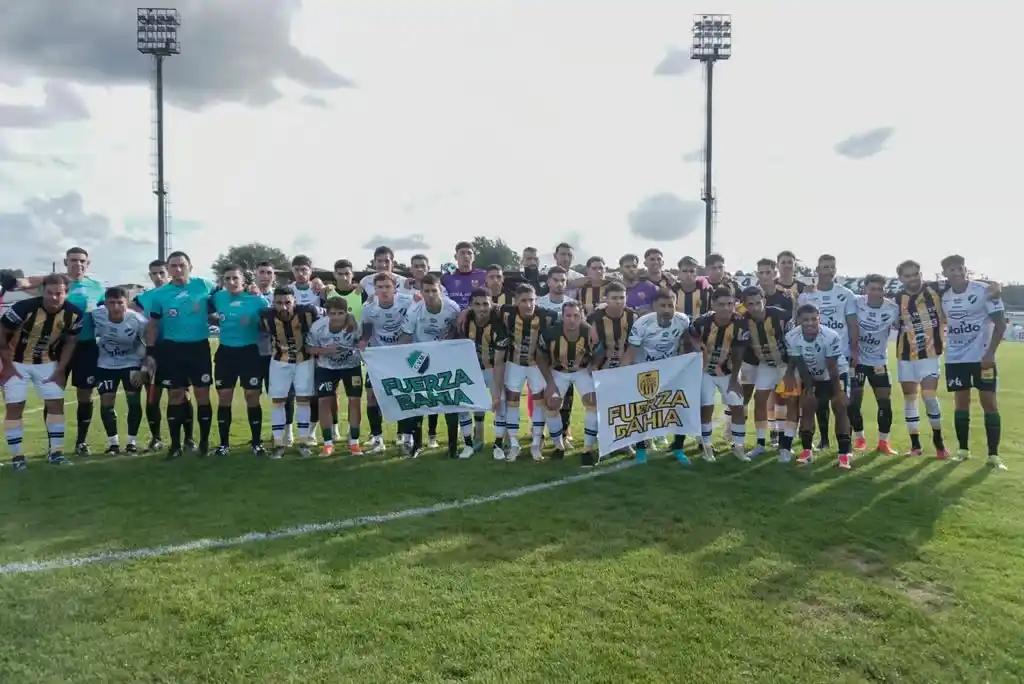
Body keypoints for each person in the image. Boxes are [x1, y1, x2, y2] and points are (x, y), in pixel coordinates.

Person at [25, 247, 106, 457]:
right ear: (65, 262)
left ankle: (81, 442)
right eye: (73, 260)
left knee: (85, 396)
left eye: (81, 261)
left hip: (87, 347)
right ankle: (54, 444)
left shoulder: (97, 287)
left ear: (88, 263)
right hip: (55, 348)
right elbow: (28, 283)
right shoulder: (53, 285)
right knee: (53, 396)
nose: (77, 264)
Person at [0, 274, 83, 469]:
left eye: (59, 293)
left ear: (66, 293)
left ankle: (56, 453)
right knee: (14, 407)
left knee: (56, 404)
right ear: (42, 291)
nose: (54, 298)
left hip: (46, 361)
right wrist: (7, 366)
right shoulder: (23, 308)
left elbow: (71, 342)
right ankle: (17, 458)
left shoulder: (74, 314)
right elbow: (1, 333)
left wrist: (61, 369)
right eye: (50, 293)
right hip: (15, 361)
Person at [143, 251, 217, 460]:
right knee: (176, 396)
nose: (177, 270)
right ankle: (175, 445)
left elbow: (226, 297)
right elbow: (154, 324)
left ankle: (203, 443)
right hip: (172, 350)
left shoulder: (204, 286)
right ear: (168, 269)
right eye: (173, 266)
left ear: (190, 267)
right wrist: (150, 352)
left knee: (202, 395)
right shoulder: (160, 295)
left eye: (181, 265)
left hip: (199, 348)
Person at [939, 254, 1007, 470]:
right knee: (961, 403)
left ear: (965, 269)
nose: (957, 273)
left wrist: (990, 354)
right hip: (956, 359)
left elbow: (1000, 325)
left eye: (960, 268)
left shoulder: (984, 291)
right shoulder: (945, 296)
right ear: (945, 274)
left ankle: (994, 455)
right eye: (952, 269)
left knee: (989, 403)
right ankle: (962, 450)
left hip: (982, 358)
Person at [622, 288, 691, 464]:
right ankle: (641, 449)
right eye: (663, 306)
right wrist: (621, 375)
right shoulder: (642, 324)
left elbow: (687, 343)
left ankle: (678, 447)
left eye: (671, 305)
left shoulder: (683, 320)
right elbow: (631, 351)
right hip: (646, 370)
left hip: (671, 369)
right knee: (643, 410)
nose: (667, 309)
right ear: (654, 306)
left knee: (680, 406)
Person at [397, 274, 463, 458]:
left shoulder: (452, 308)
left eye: (434, 290)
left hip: (444, 358)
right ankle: (417, 445)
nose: (431, 294)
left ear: (440, 290)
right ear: (421, 292)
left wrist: (446, 345)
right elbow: (406, 337)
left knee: (450, 400)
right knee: (419, 402)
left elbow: (458, 331)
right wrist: (397, 358)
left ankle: (452, 448)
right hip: (421, 360)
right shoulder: (414, 311)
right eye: (426, 291)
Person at [798, 254, 858, 451]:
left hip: (840, 356)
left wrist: (854, 351)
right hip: (814, 358)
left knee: (841, 402)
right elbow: (798, 323)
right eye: (825, 267)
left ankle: (845, 448)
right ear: (817, 270)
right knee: (818, 403)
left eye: (832, 267)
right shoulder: (806, 296)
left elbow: (851, 323)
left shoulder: (846, 294)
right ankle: (823, 440)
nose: (829, 270)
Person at [782, 303, 854, 469]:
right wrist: (809, 388)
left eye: (814, 319)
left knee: (839, 407)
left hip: (836, 374)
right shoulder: (792, 337)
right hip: (813, 375)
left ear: (819, 318)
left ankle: (844, 455)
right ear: (798, 320)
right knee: (808, 406)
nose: (810, 323)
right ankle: (807, 452)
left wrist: (838, 392)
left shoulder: (831, 336)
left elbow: (833, 367)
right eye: (805, 319)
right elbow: (799, 363)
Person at [492, 283, 558, 462]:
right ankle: (514, 445)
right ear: (515, 301)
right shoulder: (505, 312)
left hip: (537, 365)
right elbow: (482, 308)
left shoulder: (548, 315)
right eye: (524, 301)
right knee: (512, 401)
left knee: (539, 403)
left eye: (532, 300)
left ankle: (536, 444)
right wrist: (466, 312)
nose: (529, 305)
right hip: (514, 364)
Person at [208, 265, 269, 456]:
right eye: (227, 279)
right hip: (226, 353)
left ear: (243, 280)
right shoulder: (217, 297)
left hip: (250, 353)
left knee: (251, 396)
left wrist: (254, 323)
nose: (231, 282)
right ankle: (224, 444)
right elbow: (206, 312)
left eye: (235, 278)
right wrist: (219, 321)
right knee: (224, 397)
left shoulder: (257, 300)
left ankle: (257, 443)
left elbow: (268, 325)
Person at [688, 287, 750, 463]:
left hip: (728, 371)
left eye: (730, 304)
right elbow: (690, 337)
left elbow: (739, 353)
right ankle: (707, 446)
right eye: (721, 304)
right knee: (706, 406)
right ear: (713, 304)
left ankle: (739, 447)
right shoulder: (702, 322)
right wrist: (698, 346)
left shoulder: (740, 323)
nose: (726, 308)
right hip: (705, 372)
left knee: (737, 406)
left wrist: (734, 379)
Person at [536, 301, 599, 465]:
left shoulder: (588, 331)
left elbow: (600, 350)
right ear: (562, 317)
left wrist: (595, 365)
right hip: (559, 372)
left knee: (593, 402)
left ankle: (588, 449)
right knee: (552, 403)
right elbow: (540, 356)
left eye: (576, 315)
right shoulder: (551, 333)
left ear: (581, 315)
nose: (572, 319)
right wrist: (550, 382)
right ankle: (559, 446)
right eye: (568, 316)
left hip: (582, 371)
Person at [359, 273, 416, 453]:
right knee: (372, 396)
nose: (384, 291)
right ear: (375, 290)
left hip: (402, 356)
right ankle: (377, 440)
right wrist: (362, 342)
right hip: (379, 358)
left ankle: (407, 438)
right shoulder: (368, 307)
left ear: (395, 288)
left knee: (405, 395)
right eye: (380, 287)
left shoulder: (408, 301)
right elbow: (367, 330)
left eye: (387, 287)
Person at [260, 287, 320, 458]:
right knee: (278, 401)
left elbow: (323, 326)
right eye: (279, 303)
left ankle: (303, 442)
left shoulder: (308, 312)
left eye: (287, 302)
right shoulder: (266, 316)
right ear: (273, 303)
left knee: (303, 400)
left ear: (294, 301)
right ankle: (278, 442)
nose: (284, 307)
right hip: (280, 361)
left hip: (304, 361)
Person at [737, 286, 791, 460]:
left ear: (764, 301)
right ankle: (760, 443)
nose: (755, 307)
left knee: (786, 399)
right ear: (745, 305)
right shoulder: (743, 320)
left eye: (757, 303)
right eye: (750, 304)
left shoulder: (779, 315)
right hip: (765, 364)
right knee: (759, 399)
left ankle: (784, 442)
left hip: (785, 364)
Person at [92, 287, 148, 455]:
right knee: (107, 403)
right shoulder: (96, 315)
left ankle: (131, 442)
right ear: (105, 303)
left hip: (131, 364)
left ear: (127, 303)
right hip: (105, 365)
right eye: (111, 303)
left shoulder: (138, 321)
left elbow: (148, 346)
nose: (116, 307)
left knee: (134, 402)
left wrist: (143, 369)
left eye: (120, 303)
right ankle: (113, 443)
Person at [850, 274, 901, 455]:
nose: (876, 293)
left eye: (880, 289)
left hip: (879, 362)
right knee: (854, 402)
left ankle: (883, 442)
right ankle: (860, 439)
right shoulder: (855, 302)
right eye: (872, 289)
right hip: (857, 361)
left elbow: (903, 327)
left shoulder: (892, 308)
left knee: (885, 403)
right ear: (865, 289)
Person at [306, 297, 361, 457]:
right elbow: (309, 348)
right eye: (333, 313)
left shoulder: (354, 325)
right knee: (324, 401)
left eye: (340, 313)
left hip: (351, 367)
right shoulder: (318, 327)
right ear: (327, 313)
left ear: (346, 312)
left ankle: (354, 442)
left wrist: (362, 345)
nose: (337, 317)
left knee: (354, 401)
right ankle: (328, 443)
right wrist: (325, 351)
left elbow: (363, 341)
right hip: (326, 367)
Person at [461, 289, 508, 460]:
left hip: (492, 368)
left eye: (486, 304)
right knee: (464, 405)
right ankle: (467, 444)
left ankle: (498, 445)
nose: (482, 308)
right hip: (472, 369)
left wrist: (496, 392)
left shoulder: (498, 326)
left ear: (491, 304)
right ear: (471, 305)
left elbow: (498, 362)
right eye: (477, 304)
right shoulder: (466, 321)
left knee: (500, 403)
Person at [536, 265, 580, 443]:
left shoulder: (572, 304)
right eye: (556, 280)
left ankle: (564, 432)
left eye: (563, 280)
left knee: (565, 398)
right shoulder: (538, 303)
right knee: (542, 396)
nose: (560, 283)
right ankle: (540, 431)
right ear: (548, 281)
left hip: (564, 359)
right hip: (544, 357)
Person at [440, 241, 487, 310]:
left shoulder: (483, 275)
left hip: (476, 316)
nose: (466, 256)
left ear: (473, 257)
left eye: (469, 253)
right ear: (456, 257)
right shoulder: (446, 278)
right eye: (462, 253)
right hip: (453, 317)